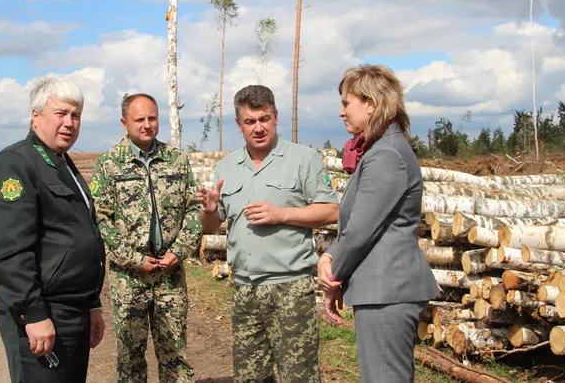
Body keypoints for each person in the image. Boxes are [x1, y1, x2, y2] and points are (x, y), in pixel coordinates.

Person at [199, 85, 339, 383]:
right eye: (250, 121)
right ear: (239, 125)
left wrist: (282, 214)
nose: (258, 128)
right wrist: (210, 210)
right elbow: (210, 227)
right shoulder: (228, 166)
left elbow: (331, 211)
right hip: (244, 289)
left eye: (264, 118)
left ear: (276, 117)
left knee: (298, 376)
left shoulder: (304, 159)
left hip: (290, 287)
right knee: (251, 377)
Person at [317, 64, 440, 383]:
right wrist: (334, 260)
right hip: (382, 290)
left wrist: (331, 270)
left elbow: (360, 230)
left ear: (370, 104)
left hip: (388, 290)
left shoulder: (386, 154)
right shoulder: (380, 150)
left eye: (347, 103)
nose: (341, 112)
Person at [0, 76, 106, 383]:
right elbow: (9, 250)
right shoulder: (15, 164)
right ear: (36, 115)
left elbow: (79, 237)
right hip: (44, 311)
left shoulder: (60, 163)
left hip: (73, 310)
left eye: (75, 115)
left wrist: (92, 304)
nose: (69, 123)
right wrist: (32, 313)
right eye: (60, 113)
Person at [92, 93, 200, 383]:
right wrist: (134, 259)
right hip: (129, 278)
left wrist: (179, 250)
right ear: (124, 122)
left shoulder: (177, 161)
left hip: (170, 273)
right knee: (130, 358)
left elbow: (193, 209)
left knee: (175, 355)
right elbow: (102, 219)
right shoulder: (109, 164)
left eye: (152, 118)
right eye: (139, 119)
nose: (147, 125)